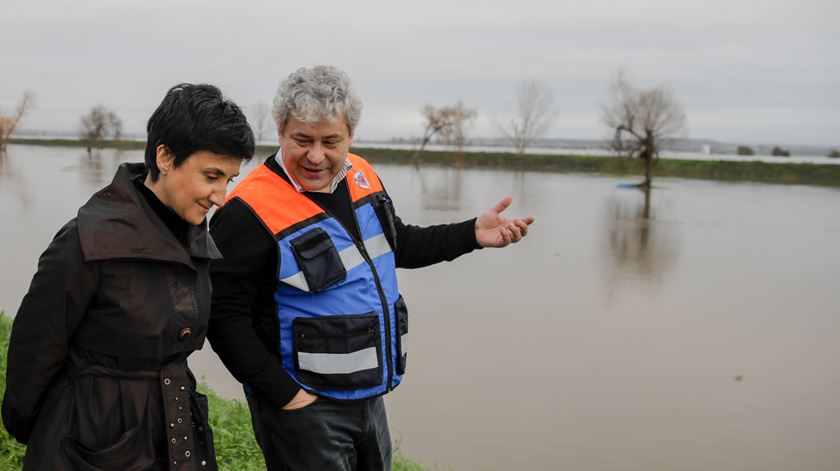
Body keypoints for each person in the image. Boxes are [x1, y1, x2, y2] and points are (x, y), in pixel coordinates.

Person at [207, 65, 534, 471]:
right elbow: (221, 316)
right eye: (302, 140)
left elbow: (402, 243)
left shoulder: (362, 174)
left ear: (351, 135)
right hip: (304, 408)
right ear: (279, 129)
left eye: (331, 141)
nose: (315, 155)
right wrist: (284, 394)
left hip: (368, 398)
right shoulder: (246, 210)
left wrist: (472, 233)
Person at [1, 83, 254, 470]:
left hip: (172, 432)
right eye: (211, 176)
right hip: (88, 443)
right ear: (165, 156)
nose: (220, 195)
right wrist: (50, 433)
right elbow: (33, 354)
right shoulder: (86, 241)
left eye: (228, 180)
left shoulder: (193, 236)